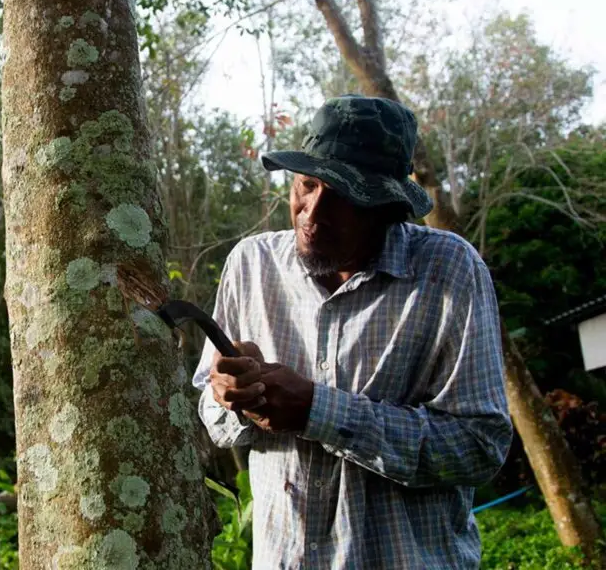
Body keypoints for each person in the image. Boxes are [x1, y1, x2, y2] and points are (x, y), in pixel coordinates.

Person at [192, 94, 513, 569]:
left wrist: (317, 410)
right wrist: (230, 396)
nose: (312, 214)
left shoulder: (448, 270)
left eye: (342, 197)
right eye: (307, 184)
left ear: (387, 207)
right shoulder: (251, 265)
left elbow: (479, 447)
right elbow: (208, 411)